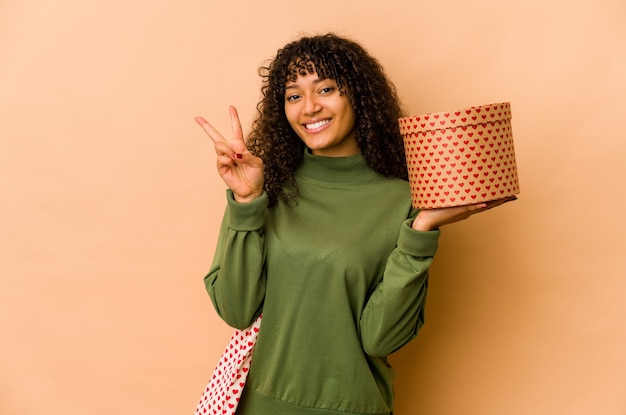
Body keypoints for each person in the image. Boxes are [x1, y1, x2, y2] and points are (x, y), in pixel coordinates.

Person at [195, 33, 513, 415]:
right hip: (258, 407)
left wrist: (421, 229)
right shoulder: (268, 187)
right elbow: (236, 308)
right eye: (294, 95)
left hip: (354, 407)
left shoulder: (404, 200)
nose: (309, 107)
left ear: (358, 95)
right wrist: (246, 204)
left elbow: (382, 338)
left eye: (325, 89)